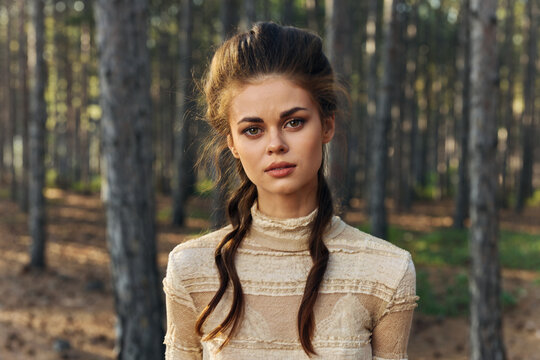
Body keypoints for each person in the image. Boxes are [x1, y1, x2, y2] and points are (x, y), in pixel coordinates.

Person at [162, 22, 418, 360]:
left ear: (327, 124)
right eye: (253, 129)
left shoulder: (386, 271)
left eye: (294, 122)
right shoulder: (191, 268)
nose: (275, 145)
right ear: (233, 144)